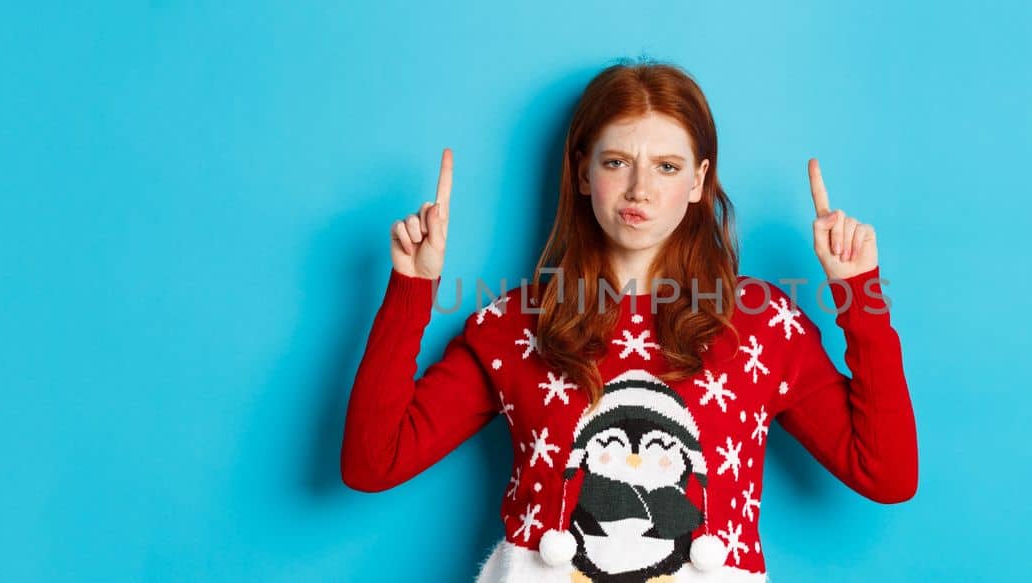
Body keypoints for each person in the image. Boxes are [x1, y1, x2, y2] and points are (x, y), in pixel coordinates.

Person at [340, 59, 917, 583]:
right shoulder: (515, 325)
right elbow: (373, 462)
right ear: (584, 171)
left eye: (667, 166)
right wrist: (411, 288)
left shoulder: (761, 326)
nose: (640, 189)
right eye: (617, 162)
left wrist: (858, 292)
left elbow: (887, 476)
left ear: (698, 181)